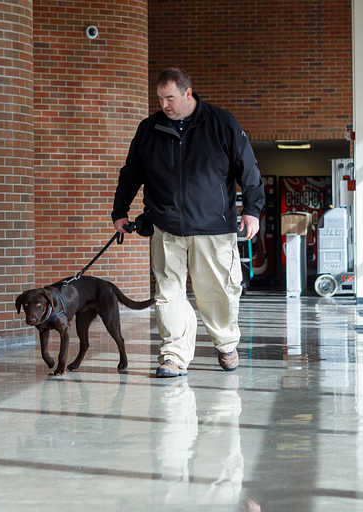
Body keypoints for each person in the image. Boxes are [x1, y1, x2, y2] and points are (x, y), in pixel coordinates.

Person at [112, 67, 264, 377]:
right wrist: (120, 212)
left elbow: (247, 169)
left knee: (217, 292)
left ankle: (225, 343)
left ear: (187, 94)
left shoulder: (221, 123)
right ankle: (174, 356)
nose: (164, 105)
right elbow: (131, 173)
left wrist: (252, 209)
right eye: (160, 99)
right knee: (168, 294)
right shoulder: (149, 129)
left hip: (213, 228)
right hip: (166, 226)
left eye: (170, 98)